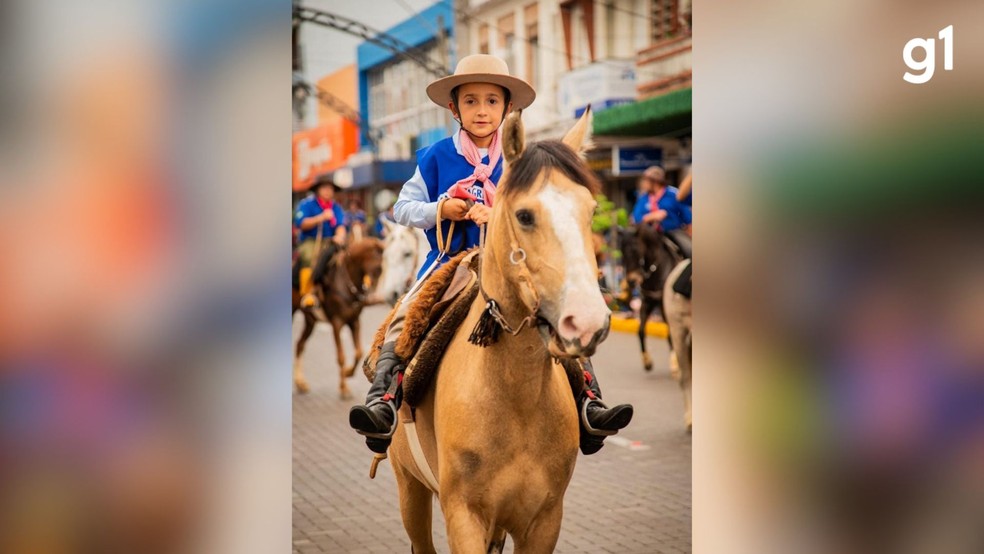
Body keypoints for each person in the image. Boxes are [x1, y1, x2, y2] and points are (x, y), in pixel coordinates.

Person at [348, 54, 633, 455]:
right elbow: (401, 209)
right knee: (405, 317)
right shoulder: (434, 156)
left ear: (507, 108)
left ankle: (589, 401)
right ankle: (383, 402)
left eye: (491, 101)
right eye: (471, 101)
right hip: (450, 262)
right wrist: (440, 208)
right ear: (454, 108)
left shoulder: (529, 160)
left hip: (511, 265)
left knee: (556, 314)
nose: (482, 110)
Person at [292, 174, 347, 292]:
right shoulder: (306, 204)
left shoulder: (336, 207)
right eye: (324, 188)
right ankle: (308, 292)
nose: (328, 191)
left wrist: (340, 236)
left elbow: (340, 225)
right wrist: (320, 217)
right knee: (308, 257)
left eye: (330, 188)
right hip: (311, 241)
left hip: (330, 241)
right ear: (317, 190)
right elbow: (301, 223)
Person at [631, 165, 692, 259]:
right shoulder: (643, 198)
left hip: (673, 233)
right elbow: (636, 218)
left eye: (646, 180)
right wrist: (652, 216)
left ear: (654, 181)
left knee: (689, 250)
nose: (643, 184)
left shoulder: (673, 194)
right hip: (650, 237)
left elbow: (688, 218)